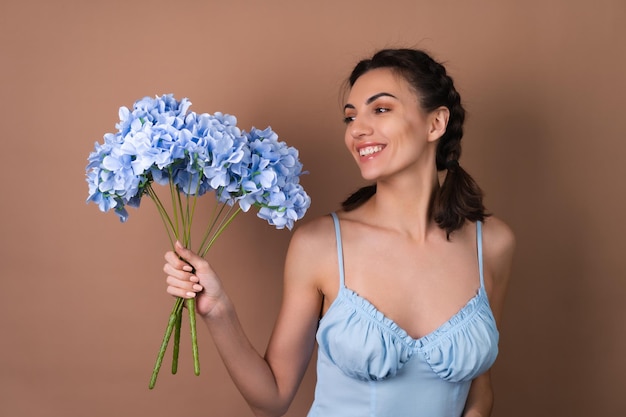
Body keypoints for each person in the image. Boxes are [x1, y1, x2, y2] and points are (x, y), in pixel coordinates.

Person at [163, 48, 515, 417]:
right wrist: (218, 310)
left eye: (380, 109)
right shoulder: (320, 245)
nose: (358, 129)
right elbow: (273, 399)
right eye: (350, 117)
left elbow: (479, 388)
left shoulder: (492, 245)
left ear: (435, 124)